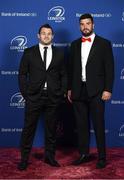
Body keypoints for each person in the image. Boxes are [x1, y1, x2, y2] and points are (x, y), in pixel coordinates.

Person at [68, 13, 114, 169]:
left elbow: (110, 68)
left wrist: (108, 89)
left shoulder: (104, 43)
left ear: (93, 25)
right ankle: (83, 154)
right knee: (81, 125)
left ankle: (102, 157)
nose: (85, 26)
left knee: (99, 125)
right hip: (78, 90)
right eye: (82, 24)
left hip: (97, 91)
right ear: (79, 26)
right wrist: (69, 89)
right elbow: (71, 69)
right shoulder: (74, 45)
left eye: (88, 23)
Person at [18, 24, 67, 170]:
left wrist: (62, 92)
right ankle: (24, 159)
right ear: (38, 36)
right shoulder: (29, 52)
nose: (46, 36)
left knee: (51, 129)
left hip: (53, 96)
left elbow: (64, 74)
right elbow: (22, 74)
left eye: (49, 33)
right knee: (28, 129)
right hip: (34, 97)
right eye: (43, 33)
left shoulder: (59, 53)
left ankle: (50, 157)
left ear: (52, 36)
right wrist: (26, 94)